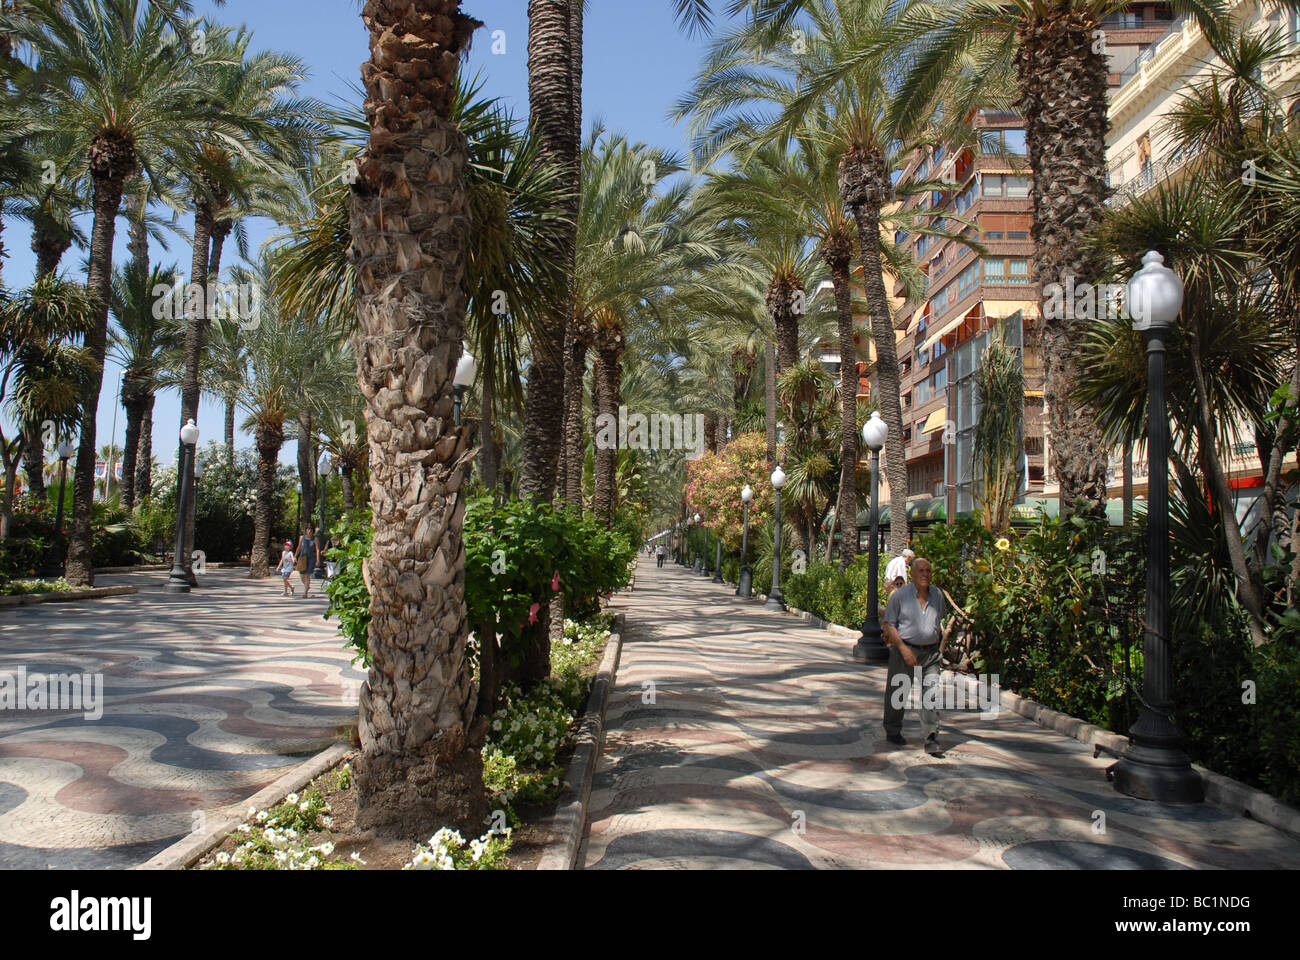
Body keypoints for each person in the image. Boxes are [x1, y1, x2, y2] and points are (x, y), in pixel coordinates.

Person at [881, 556, 947, 755]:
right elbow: (889, 624)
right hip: (904, 650)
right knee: (898, 693)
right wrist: (903, 648)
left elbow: (939, 621)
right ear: (912, 573)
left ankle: (931, 736)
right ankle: (892, 730)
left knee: (931, 693)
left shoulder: (937, 595)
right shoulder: (900, 595)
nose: (925, 575)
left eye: (928, 571)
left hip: (931, 653)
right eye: (921, 571)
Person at [296, 523, 318, 598]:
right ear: (305, 530)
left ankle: (305, 593)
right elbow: (299, 547)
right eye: (308, 529)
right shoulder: (302, 538)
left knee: (307, 575)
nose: (309, 531)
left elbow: (317, 549)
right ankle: (307, 586)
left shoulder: (315, 539)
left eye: (311, 529)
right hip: (303, 558)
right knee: (302, 576)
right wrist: (295, 556)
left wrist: (318, 560)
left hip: (311, 558)